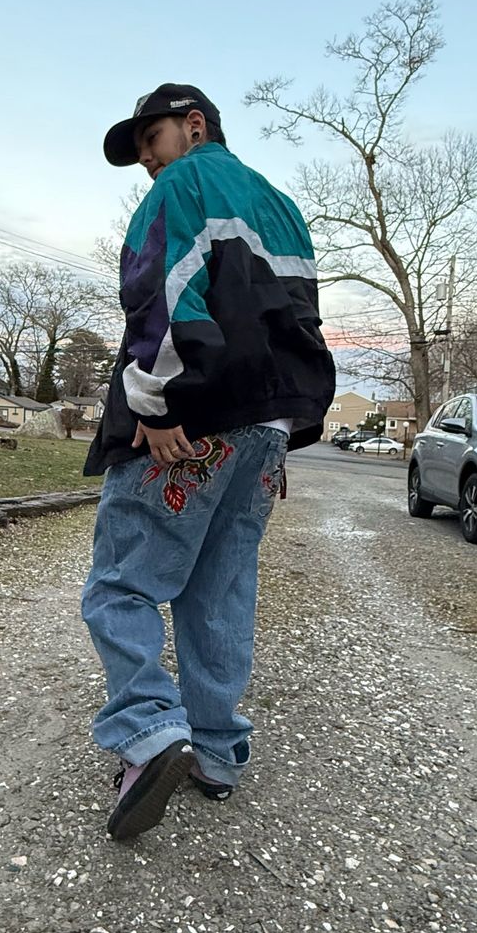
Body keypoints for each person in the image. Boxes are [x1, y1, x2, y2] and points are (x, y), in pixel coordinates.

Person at [81, 83, 335, 840]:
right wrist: (284, 430)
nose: (147, 165)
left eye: (151, 141)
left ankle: (149, 730)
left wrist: (155, 407)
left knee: (122, 583)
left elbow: (157, 296)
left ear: (193, 126)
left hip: (190, 416)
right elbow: (299, 320)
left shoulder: (185, 185)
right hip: (265, 424)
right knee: (219, 591)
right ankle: (216, 752)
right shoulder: (281, 203)